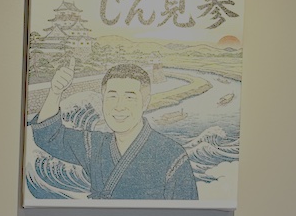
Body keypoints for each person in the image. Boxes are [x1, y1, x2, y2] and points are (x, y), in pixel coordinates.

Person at [29, 59, 198, 200]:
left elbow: (186, 215)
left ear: (145, 102)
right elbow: (47, 136)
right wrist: (55, 92)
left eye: (129, 97)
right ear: (102, 100)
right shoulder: (94, 145)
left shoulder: (172, 154)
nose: (119, 106)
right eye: (112, 96)